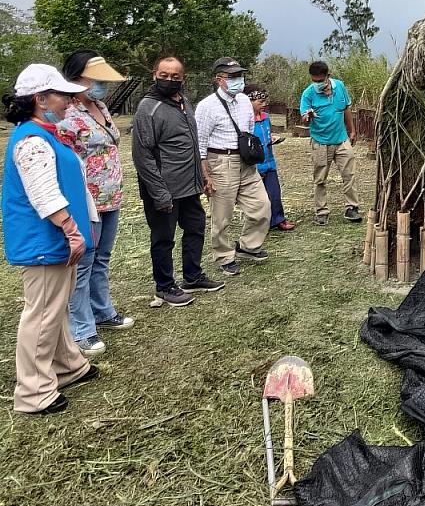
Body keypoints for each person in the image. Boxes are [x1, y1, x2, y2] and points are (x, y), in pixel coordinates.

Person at [2, 64, 99, 415]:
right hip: (43, 241)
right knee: (42, 314)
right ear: (40, 99)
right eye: (61, 94)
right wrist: (72, 230)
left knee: (54, 308)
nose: (69, 100)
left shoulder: (46, 133)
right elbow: (43, 192)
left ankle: (67, 366)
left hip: (54, 240)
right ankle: (33, 391)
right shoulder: (31, 140)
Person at [132, 56, 225, 306]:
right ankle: (164, 286)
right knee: (163, 238)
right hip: (164, 189)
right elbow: (143, 156)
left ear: (183, 78)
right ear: (154, 74)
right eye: (164, 75)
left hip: (189, 186)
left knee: (195, 228)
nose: (169, 80)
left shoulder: (183, 101)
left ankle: (192, 276)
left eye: (175, 76)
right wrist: (159, 192)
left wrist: (203, 176)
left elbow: (193, 144)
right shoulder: (147, 109)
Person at [60, 50, 134, 358]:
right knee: (85, 261)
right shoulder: (65, 112)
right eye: (96, 78)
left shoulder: (100, 106)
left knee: (102, 257)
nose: (102, 85)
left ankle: (103, 311)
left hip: (110, 195)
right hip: (85, 198)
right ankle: (82, 329)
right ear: (78, 77)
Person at [195, 57, 271, 275]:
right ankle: (223, 255)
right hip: (220, 161)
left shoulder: (245, 101)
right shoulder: (206, 106)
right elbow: (199, 141)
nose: (239, 80)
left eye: (240, 75)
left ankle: (249, 245)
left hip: (244, 162)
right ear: (220, 80)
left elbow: (247, 130)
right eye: (233, 76)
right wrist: (205, 173)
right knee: (222, 214)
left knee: (262, 206)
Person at [299, 61, 362, 225]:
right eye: (315, 81)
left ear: (328, 76)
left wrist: (352, 130)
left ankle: (352, 208)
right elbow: (304, 117)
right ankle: (322, 211)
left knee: (349, 174)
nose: (318, 84)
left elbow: (346, 109)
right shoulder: (308, 94)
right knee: (320, 179)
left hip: (341, 139)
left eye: (320, 80)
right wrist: (309, 116)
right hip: (320, 141)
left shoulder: (340, 86)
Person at [245, 84, 295, 232]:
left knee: (274, 193)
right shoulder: (244, 120)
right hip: (255, 165)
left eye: (265, 101)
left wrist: (271, 138)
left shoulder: (265, 118)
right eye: (260, 102)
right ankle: (259, 225)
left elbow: (265, 134)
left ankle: (278, 219)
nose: (264, 104)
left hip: (269, 161)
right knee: (258, 199)